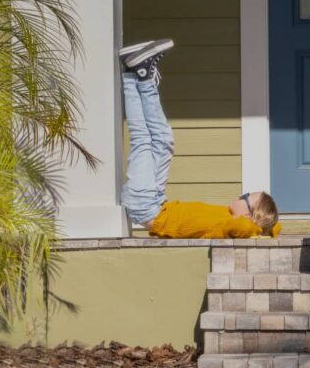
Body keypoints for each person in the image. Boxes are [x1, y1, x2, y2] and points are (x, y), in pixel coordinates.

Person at [119, 39, 281, 239]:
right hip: (158, 202)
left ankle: (137, 77)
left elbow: (248, 229)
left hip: (145, 206)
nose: (241, 195)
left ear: (248, 215)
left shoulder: (229, 227)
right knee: (163, 140)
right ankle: (136, 72)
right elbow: (274, 228)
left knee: (143, 139)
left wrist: (260, 227)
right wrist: (269, 225)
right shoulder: (228, 217)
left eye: (246, 197)